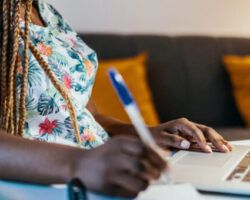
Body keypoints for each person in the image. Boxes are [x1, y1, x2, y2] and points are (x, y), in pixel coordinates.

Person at [0, 0, 232, 198]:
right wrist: (79, 164)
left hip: (103, 178)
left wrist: (148, 133)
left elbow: (88, 112)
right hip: (43, 185)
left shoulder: (43, 10)